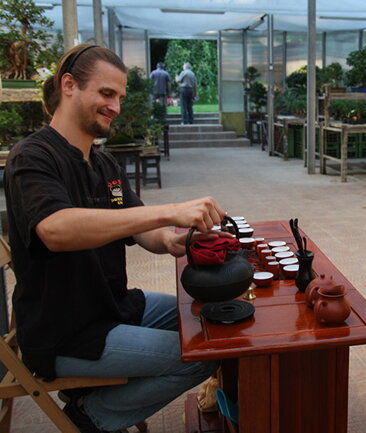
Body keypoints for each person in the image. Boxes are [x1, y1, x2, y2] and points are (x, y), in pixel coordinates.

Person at [3, 44, 227, 433]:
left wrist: (169, 239)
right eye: (106, 94)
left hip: (112, 306)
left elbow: (140, 227)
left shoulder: (104, 163)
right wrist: (168, 210)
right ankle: (92, 416)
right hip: (65, 332)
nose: (116, 106)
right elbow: (55, 230)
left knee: (215, 318)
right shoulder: (33, 157)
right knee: (201, 355)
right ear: (68, 85)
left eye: (120, 97)